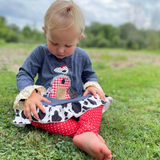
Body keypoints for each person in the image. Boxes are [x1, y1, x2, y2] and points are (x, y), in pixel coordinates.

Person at [12, 0, 113, 159]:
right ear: (46, 32)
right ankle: (86, 133)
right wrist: (31, 94)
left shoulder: (82, 56)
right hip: (49, 106)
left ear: (79, 38)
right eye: (54, 43)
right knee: (33, 112)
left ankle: (86, 132)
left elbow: (89, 75)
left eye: (68, 45)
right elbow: (24, 74)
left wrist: (91, 85)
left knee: (97, 98)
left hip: (75, 106)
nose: (60, 50)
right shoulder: (40, 52)